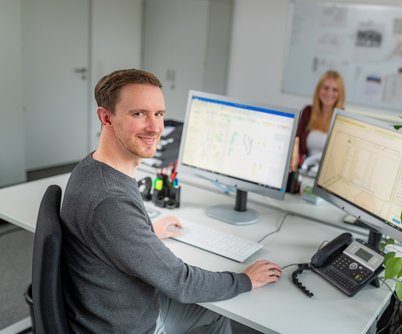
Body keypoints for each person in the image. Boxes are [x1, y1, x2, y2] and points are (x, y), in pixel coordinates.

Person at [60, 69, 282, 334]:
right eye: (138, 114)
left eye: (159, 114)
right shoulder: (111, 201)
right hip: (126, 325)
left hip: (109, 307)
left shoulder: (92, 168)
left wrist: (146, 234)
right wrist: (245, 280)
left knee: (214, 312)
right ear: (106, 117)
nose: (155, 127)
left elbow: (106, 233)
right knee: (216, 311)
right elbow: (181, 282)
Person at [295, 70, 345, 169]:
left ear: (340, 94)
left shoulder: (343, 119)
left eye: (335, 90)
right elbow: (297, 144)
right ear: (319, 90)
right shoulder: (307, 112)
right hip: (305, 170)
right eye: (326, 88)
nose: (329, 93)